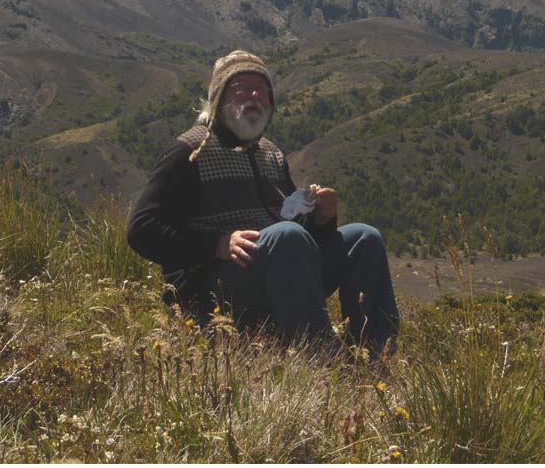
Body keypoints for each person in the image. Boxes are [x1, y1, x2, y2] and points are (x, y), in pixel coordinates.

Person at [127, 50, 399, 358]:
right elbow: (141, 230)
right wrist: (214, 245)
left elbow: (296, 232)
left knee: (364, 237)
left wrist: (322, 219)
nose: (254, 96)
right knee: (286, 236)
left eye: (262, 89)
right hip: (214, 287)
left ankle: (376, 353)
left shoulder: (270, 154)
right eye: (240, 88)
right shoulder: (189, 152)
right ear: (218, 97)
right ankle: (324, 359)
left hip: (280, 272)